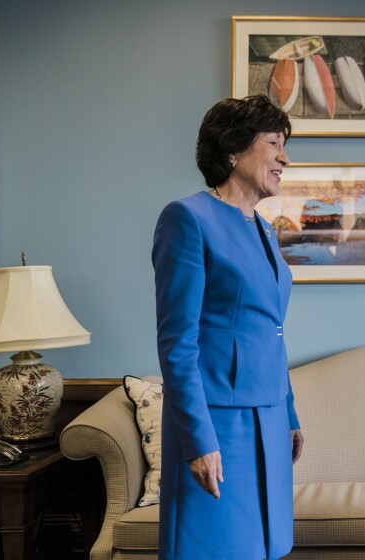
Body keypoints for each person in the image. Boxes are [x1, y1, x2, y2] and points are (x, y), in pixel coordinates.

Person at [152, 95, 304, 560]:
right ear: (233, 150)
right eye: (274, 143)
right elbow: (178, 343)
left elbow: (270, 331)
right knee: (216, 548)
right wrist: (198, 440)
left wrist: (290, 415)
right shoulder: (187, 218)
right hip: (218, 424)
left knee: (267, 548)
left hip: (271, 419)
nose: (285, 158)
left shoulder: (263, 227)